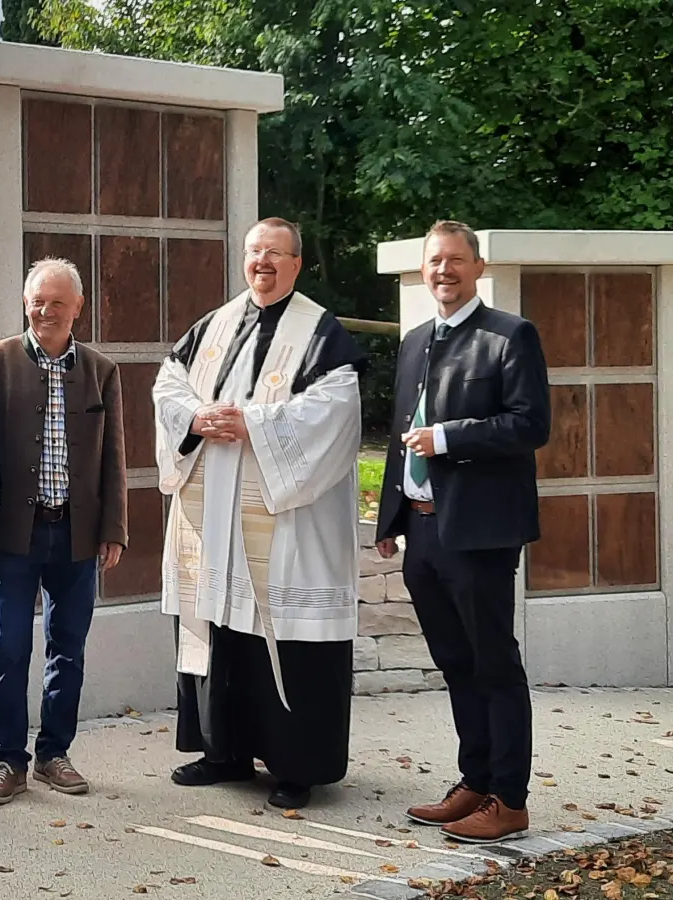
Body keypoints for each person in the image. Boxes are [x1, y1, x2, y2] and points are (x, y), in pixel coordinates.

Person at [153, 218, 367, 811]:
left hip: (284, 524)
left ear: (297, 264)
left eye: (276, 254)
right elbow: (169, 383)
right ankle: (224, 753)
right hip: (214, 517)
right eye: (254, 253)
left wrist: (254, 424)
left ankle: (298, 767)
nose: (262, 264)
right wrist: (196, 418)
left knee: (286, 638)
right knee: (219, 631)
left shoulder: (320, 332)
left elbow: (337, 406)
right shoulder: (214, 325)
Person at [375, 221, 550, 843]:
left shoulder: (509, 336)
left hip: (479, 532)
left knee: (492, 662)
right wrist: (389, 520)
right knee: (454, 663)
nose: (443, 271)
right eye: (434, 261)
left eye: (455, 260)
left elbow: (530, 425)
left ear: (478, 267)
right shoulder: (417, 338)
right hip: (421, 532)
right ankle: (474, 782)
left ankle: (510, 798)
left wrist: (449, 439)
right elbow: (403, 432)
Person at [0, 257, 127, 805]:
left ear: (77, 308)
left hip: (77, 533)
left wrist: (114, 527)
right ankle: (8, 759)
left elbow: (113, 457)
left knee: (69, 647)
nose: (46, 310)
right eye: (38, 299)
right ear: (25, 302)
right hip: (14, 532)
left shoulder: (101, 369)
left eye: (58, 301)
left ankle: (54, 753)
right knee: (8, 646)